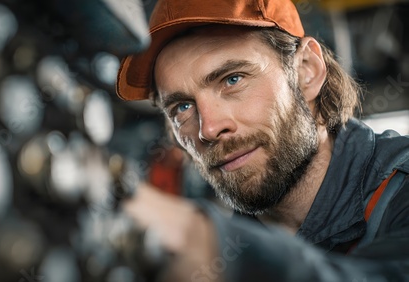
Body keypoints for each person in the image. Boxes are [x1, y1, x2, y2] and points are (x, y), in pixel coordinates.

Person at [116, 0, 409, 281]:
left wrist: (197, 238)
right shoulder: (233, 237)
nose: (209, 128)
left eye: (233, 79)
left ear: (307, 70)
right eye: (182, 107)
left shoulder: (400, 189)